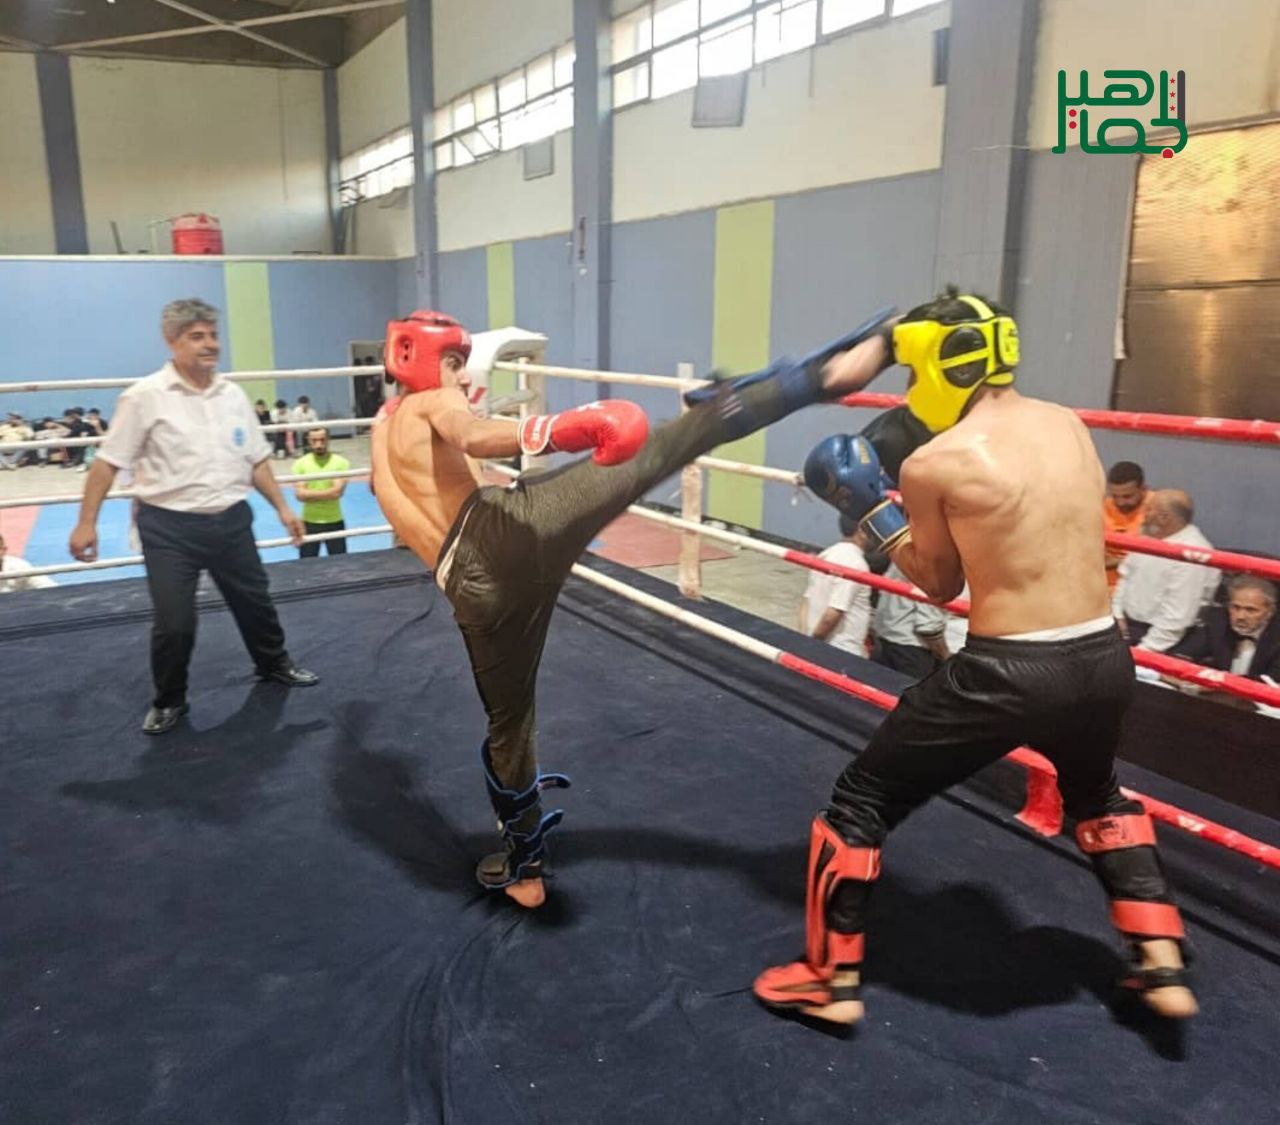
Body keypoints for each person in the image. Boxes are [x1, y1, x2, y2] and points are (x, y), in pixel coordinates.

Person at [754, 289, 1196, 1028]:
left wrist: (875, 510)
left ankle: (829, 979)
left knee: (862, 799)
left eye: (910, 370)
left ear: (937, 363)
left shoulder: (938, 461)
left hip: (1008, 671)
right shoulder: (1068, 424)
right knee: (1097, 793)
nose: (907, 388)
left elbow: (938, 582)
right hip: (1103, 657)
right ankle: (1162, 959)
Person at [372, 308, 914, 909]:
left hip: (471, 593)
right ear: (419, 360)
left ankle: (525, 868)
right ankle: (821, 377)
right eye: (453, 360)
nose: (460, 373)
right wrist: (563, 427)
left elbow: (410, 486)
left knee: (510, 726)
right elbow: (472, 436)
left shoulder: (383, 434)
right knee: (666, 446)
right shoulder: (433, 404)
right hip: (506, 536)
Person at [69, 298, 319, 736]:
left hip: (231, 520)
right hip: (169, 529)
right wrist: (86, 522)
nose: (210, 345)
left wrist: (283, 509)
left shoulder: (233, 395)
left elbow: (257, 459)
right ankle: (170, 700)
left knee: (255, 602)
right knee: (174, 622)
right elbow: (106, 464)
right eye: (197, 336)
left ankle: (273, 664)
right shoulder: (144, 397)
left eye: (213, 335)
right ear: (172, 341)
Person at [1112, 489, 1218, 652]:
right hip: (1128, 628)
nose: (1143, 514)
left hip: (1168, 642)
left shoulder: (1193, 554)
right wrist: (1117, 614)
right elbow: (1126, 575)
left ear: (1163, 517)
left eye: (1148, 509)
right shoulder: (1147, 537)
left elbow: (1176, 619)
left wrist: (1143, 653)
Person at [1172, 575, 1280, 684]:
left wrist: (1216, 683)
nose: (1240, 616)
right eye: (1235, 607)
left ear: (1270, 612)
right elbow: (1179, 657)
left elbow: (1272, 681)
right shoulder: (1218, 620)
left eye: (1250, 610)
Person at [800, 517, 873, 655]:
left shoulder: (826, 554)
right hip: (841, 650)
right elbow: (832, 614)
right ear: (861, 532)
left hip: (820, 643)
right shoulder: (855, 564)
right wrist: (813, 644)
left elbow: (806, 600)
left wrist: (805, 639)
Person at [868, 560, 950, 677]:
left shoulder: (902, 555)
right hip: (911, 651)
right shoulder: (937, 565)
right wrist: (946, 657)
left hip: (884, 640)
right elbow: (928, 628)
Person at [292, 427, 350, 557]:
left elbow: (337, 493)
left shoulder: (341, 462)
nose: (319, 444)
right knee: (307, 565)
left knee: (340, 564)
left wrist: (310, 494)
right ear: (308, 441)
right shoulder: (300, 463)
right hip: (309, 522)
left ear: (328, 439)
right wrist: (328, 493)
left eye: (322, 440)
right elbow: (300, 495)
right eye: (314, 440)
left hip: (334, 520)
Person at [1102, 461, 1149, 592]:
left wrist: (1117, 561)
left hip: (1140, 587)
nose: (1120, 502)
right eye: (1115, 496)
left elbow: (1159, 560)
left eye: (1127, 496)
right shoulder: (1102, 507)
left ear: (1143, 489)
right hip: (1105, 588)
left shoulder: (1157, 509)